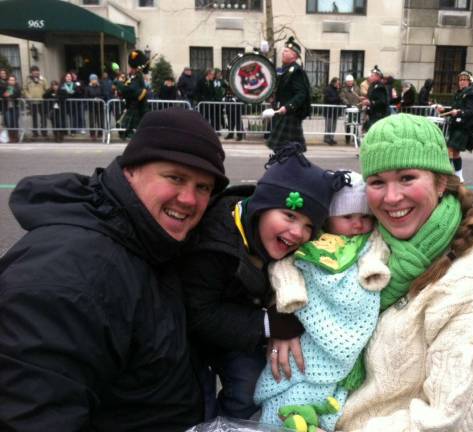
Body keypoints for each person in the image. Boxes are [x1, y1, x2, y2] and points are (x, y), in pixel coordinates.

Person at [0, 108, 229, 431]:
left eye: (203, 187)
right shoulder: (70, 277)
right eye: (175, 177)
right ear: (130, 171)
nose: (190, 199)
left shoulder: (153, 241)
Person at [331, 113, 473, 432]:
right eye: (377, 181)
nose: (392, 197)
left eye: (407, 177)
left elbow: (450, 422)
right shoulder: (368, 242)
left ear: (440, 183)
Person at [179, 146, 343, 421]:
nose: (297, 233)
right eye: (289, 216)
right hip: (192, 334)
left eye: (308, 226)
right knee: (194, 403)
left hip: (243, 330)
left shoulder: (289, 246)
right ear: (260, 208)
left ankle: (233, 424)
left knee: (249, 389)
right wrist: (269, 324)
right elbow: (198, 312)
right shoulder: (213, 241)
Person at [254, 171, 391, 431]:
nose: (358, 225)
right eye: (347, 217)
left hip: (353, 316)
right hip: (307, 326)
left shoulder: (369, 242)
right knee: (292, 380)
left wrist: (371, 271)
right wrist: (290, 297)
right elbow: (285, 269)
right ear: (328, 220)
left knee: (329, 398)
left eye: (365, 217)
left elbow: (376, 256)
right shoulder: (311, 244)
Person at [436, 70, 473, 183]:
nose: (461, 82)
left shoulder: (472, 93)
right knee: (455, 153)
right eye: (460, 80)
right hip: (456, 125)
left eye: (464, 80)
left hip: (465, 126)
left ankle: (445, 176)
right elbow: (454, 108)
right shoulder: (459, 93)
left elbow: (471, 111)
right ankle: (459, 177)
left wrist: (459, 113)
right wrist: (445, 110)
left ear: (469, 81)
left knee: (449, 150)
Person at [268, 36, 312, 152]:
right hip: (283, 114)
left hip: (290, 115)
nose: (283, 52)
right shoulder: (286, 70)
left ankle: (290, 169)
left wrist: (287, 107)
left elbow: (301, 94)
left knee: (288, 151)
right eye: (284, 50)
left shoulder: (296, 71)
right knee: (285, 151)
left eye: (286, 51)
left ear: (294, 55)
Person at [114, 49, 150, 139]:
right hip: (132, 107)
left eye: (132, 68)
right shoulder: (132, 77)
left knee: (137, 136)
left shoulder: (138, 77)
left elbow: (132, 91)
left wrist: (119, 84)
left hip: (137, 109)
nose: (130, 69)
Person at [361, 65, 389, 132]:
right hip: (371, 114)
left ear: (377, 77)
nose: (370, 77)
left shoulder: (380, 87)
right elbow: (371, 98)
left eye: (372, 76)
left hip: (378, 115)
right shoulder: (372, 86)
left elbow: (382, 101)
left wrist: (369, 102)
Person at [23, 65, 49, 138]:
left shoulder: (43, 79)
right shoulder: (28, 80)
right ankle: (35, 132)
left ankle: (44, 132)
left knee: (43, 117)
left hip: (41, 101)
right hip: (32, 102)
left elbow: (47, 88)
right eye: (34, 71)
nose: (36, 73)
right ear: (31, 72)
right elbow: (24, 89)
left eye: (37, 71)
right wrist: (28, 96)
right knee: (34, 118)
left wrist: (45, 95)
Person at [339, 74, 362, 145]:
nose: (349, 82)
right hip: (348, 109)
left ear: (353, 81)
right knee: (348, 125)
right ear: (346, 82)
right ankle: (347, 139)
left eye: (350, 81)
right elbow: (342, 97)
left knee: (356, 124)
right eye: (348, 81)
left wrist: (360, 105)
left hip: (356, 109)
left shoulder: (357, 88)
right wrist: (347, 103)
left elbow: (360, 97)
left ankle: (356, 139)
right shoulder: (344, 89)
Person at [84, 73, 104, 141]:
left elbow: (103, 95)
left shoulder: (100, 87)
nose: (94, 81)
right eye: (93, 79)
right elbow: (86, 97)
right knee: (92, 121)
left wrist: (99, 99)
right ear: (90, 80)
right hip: (91, 107)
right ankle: (92, 134)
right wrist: (93, 99)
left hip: (100, 106)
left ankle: (100, 133)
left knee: (100, 120)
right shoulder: (87, 88)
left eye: (95, 79)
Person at [1, 75, 21, 143]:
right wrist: (7, 95)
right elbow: (2, 95)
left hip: (15, 107)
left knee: (15, 122)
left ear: (15, 81)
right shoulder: (5, 87)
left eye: (13, 80)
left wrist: (9, 95)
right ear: (8, 81)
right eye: (10, 80)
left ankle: (16, 137)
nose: (11, 81)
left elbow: (17, 94)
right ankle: (10, 137)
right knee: (9, 122)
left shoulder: (17, 87)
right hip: (7, 108)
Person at [323, 77, 341, 145]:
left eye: (338, 83)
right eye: (337, 83)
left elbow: (339, 99)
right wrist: (337, 99)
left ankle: (331, 138)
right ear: (333, 82)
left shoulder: (337, 90)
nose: (338, 84)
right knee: (329, 126)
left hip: (335, 111)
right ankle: (327, 138)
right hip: (329, 111)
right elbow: (328, 99)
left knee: (333, 126)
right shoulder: (328, 89)